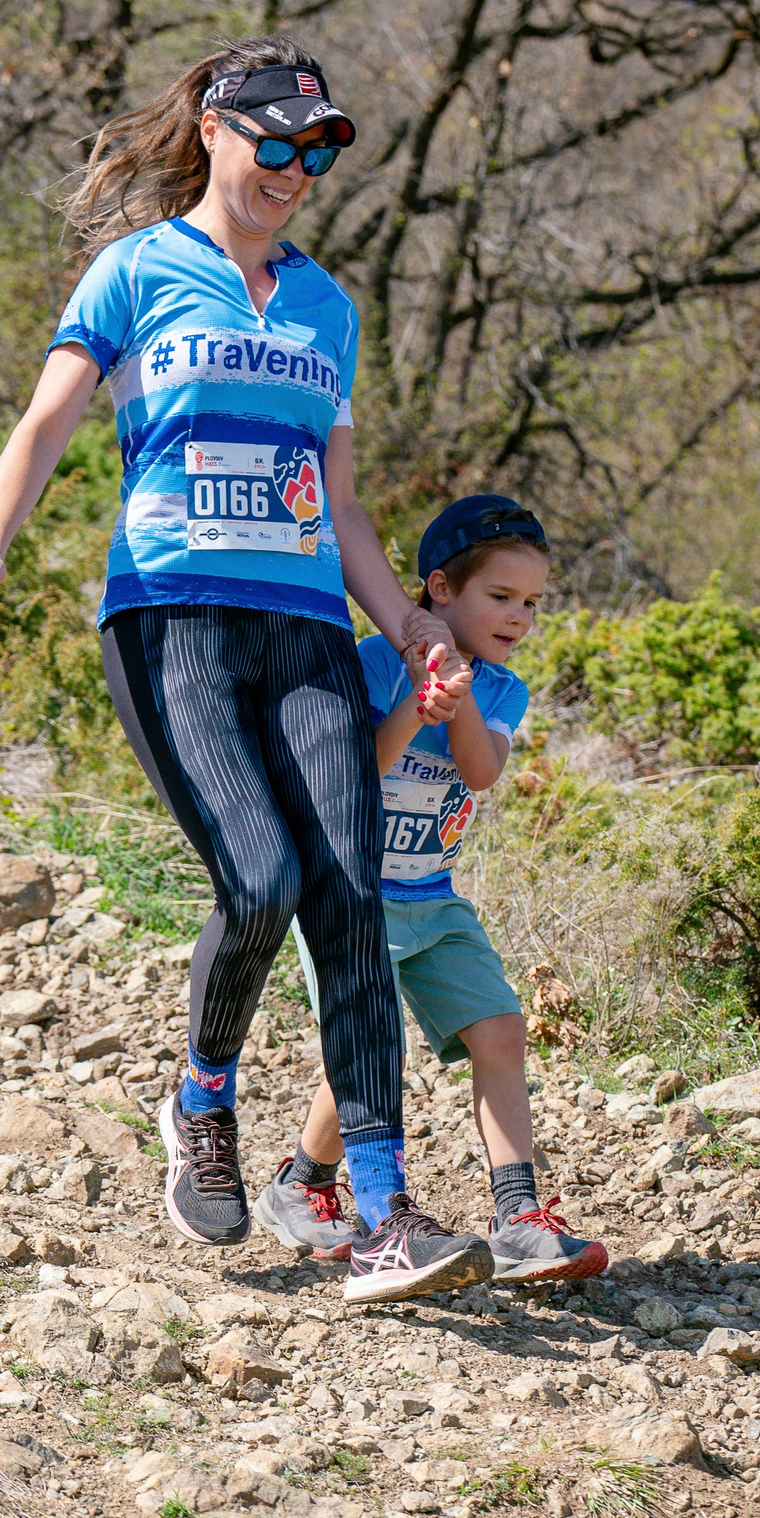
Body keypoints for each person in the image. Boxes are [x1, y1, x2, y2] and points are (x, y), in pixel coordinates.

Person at [0, 36, 492, 1303]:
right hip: (172, 614)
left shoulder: (327, 306)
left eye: (319, 150)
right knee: (258, 880)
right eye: (279, 142)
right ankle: (202, 1102)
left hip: (306, 629)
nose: (298, 168)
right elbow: (45, 424)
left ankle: (383, 1210)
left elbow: (342, 506)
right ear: (216, 131)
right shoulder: (134, 272)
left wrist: (407, 621)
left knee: (350, 892)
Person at [257, 495, 610, 1297]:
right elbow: (350, 775)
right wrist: (417, 701)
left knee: (501, 1029)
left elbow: (481, 772)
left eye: (532, 602)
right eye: (501, 597)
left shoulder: (502, 689)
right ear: (439, 589)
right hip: (350, 891)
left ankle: (518, 1217)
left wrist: (455, 702)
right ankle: (304, 1180)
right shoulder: (369, 661)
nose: (519, 616)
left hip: (434, 891)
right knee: (373, 1039)